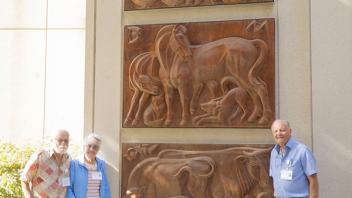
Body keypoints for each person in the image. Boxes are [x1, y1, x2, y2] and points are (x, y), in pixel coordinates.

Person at [269, 119, 319, 198]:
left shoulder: (302, 151)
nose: (278, 133)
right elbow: (275, 180)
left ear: (290, 131)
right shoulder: (273, 153)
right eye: (275, 131)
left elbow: (313, 180)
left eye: (282, 130)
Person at [21, 129, 71, 198]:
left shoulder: (68, 159)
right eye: (59, 140)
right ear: (52, 140)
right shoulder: (40, 156)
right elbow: (24, 180)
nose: (63, 143)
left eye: (66, 140)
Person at [66, 133, 110, 198]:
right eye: (89, 146)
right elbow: (68, 188)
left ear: (98, 149)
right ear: (84, 146)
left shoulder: (101, 164)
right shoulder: (74, 164)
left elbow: (105, 187)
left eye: (95, 147)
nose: (92, 149)